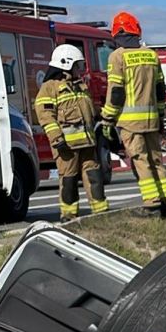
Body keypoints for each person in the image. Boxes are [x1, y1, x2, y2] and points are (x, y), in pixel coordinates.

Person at [101, 11, 166, 217]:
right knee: (156, 160)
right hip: (152, 120)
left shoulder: (117, 56)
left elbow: (116, 92)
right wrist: (160, 117)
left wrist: (107, 119)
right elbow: (160, 90)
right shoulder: (151, 55)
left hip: (130, 123)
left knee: (141, 161)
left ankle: (152, 205)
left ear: (117, 33)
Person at [34, 45, 109, 222]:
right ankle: (68, 215)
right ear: (65, 64)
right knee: (69, 180)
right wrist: (56, 138)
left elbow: (92, 110)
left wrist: (106, 117)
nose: (79, 69)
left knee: (94, 176)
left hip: (87, 143)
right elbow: (45, 116)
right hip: (66, 146)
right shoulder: (49, 88)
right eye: (77, 65)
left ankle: (101, 212)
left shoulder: (80, 86)